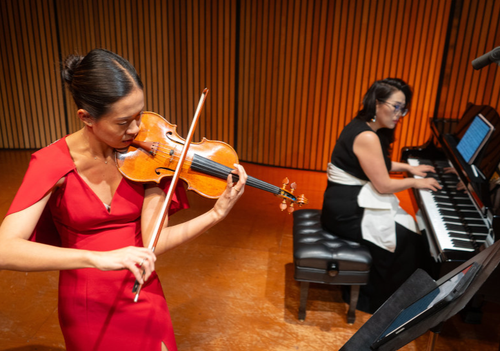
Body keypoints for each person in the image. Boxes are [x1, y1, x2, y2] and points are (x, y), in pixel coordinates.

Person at [0, 48, 247, 351]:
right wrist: (96, 258)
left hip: (143, 291)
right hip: (86, 302)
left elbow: (153, 241)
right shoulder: (52, 163)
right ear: (87, 117)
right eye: (122, 122)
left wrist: (216, 215)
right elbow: (4, 250)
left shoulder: (147, 160)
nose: (136, 130)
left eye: (139, 115)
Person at [320, 78, 441, 314]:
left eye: (403, 109)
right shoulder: (367, 136)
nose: (400, 114)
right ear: (377, 103)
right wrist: (417, 181)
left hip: (344, 201)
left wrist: (408, 168)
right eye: (396, 106)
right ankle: (378, 301)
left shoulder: (364, 126)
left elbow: (378, 163)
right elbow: (384, 185)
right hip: (346, 212)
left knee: (410, 232)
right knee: (408, 240)